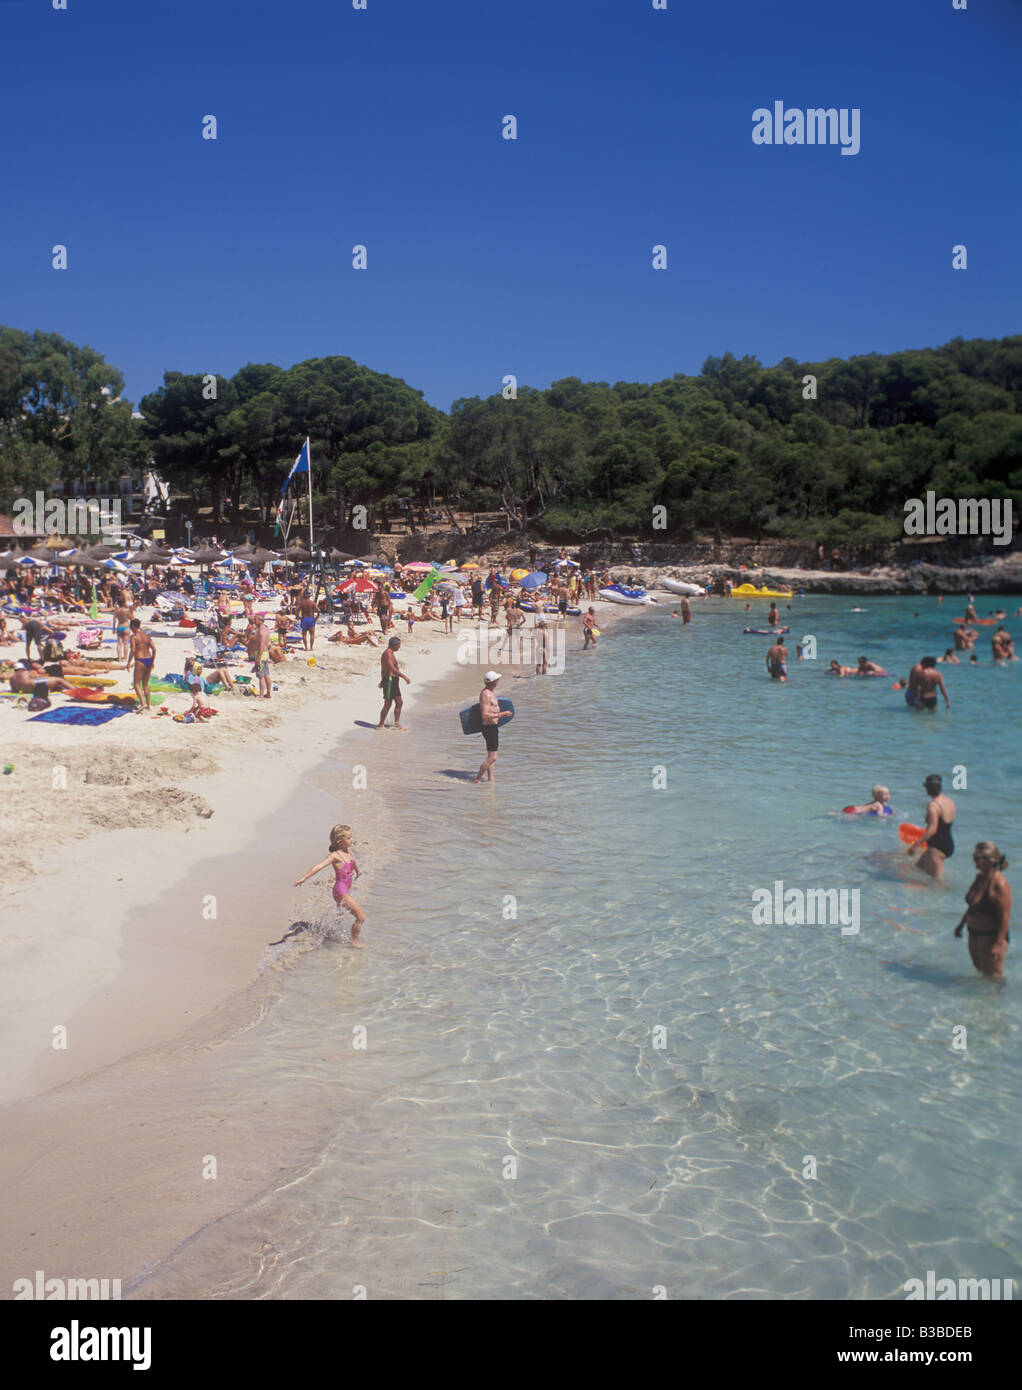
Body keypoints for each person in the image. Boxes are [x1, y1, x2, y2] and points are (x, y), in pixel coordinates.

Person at [292, 824, 366, 946]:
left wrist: (358, 871)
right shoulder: (334, 856)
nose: (352, 840)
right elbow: (319, 866)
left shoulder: (347, 851)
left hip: (346, 889)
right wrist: (304, 878)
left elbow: (353, 861)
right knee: (361, 917)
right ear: (339, 841)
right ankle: (355, 940)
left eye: (351, 837)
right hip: (340, 891)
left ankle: (329, 933)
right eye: (349, 838)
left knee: (341, 916)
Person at [955, 842, 1011, 979]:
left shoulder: (999, 884)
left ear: (989, 860)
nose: (973, 860)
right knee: (980, 973)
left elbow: (1005, 916)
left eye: (977, 858)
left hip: (990, 936)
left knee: (993, 979)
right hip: (974, 933)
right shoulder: (979, 878)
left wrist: (998, 944)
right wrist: (961, 925)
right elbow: (972, 906)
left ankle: (997, 1000)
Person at [906, 773, 956, 880]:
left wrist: (916, 845)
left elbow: (932, 829)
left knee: (935, 884)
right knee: (917, 869)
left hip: (937, 848)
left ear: (927, 789)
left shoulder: (933, 805)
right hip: (947, 843)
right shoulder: (949, 801)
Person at [472, 670, 512, 784]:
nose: (498, 681)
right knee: (493, 757)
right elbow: (484, 715)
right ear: (493, 681)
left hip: (493, 727)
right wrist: (501, 714)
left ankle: (491, 780)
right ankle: (477, 779)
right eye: (497, 679)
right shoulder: (486, 694)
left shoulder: (490, 692)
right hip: (488, 727)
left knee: (491, 756)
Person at [377, 636, 409, 728]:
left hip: (393, 680)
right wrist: (404, 677)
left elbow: (385, 669)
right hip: (390, 680)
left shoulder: (391, 653)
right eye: (399, 645)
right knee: (388, 703)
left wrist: (382, 680)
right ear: (395, 645)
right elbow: (391, 668)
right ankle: (380, 725)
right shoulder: (387, 653)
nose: (399, 647)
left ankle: (396, 724)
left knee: (399, 703)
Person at [129, 618, 156, 711]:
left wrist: (129, 662)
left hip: (140, 660)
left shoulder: (133, 636)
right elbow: (154, 649)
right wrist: (153, 661)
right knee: (145, 684)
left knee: (136, 683)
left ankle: (142, 703)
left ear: (133, 626)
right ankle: (148, 706)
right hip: (149, 659)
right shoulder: (147, 636)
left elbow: (132, 650)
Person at [112, 592, 134, 662]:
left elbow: (114, 620)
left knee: (119, 643)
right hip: (126, 626)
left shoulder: (116, 611)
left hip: (119, 626)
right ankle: (125, 658)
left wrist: (114, 629)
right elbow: (132, 618)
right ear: (124, 602)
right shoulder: (126, 610)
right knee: (126, 643)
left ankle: (119, 658)